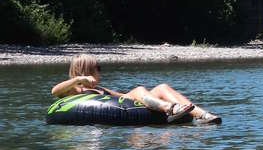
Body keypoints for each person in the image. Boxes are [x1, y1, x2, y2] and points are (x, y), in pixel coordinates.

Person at [51, 54, 221, 124]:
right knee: (139, 90)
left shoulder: (101, 90)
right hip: (109, 110)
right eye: (97, 69)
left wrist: (137, 94)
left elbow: (123, 98)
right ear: (86, 72)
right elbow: (55, 91)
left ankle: (203, 115)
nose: (99, 73)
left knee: (161, 87)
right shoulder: (77, 91)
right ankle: (168, 109)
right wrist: (78, 80)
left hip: (128, 104)